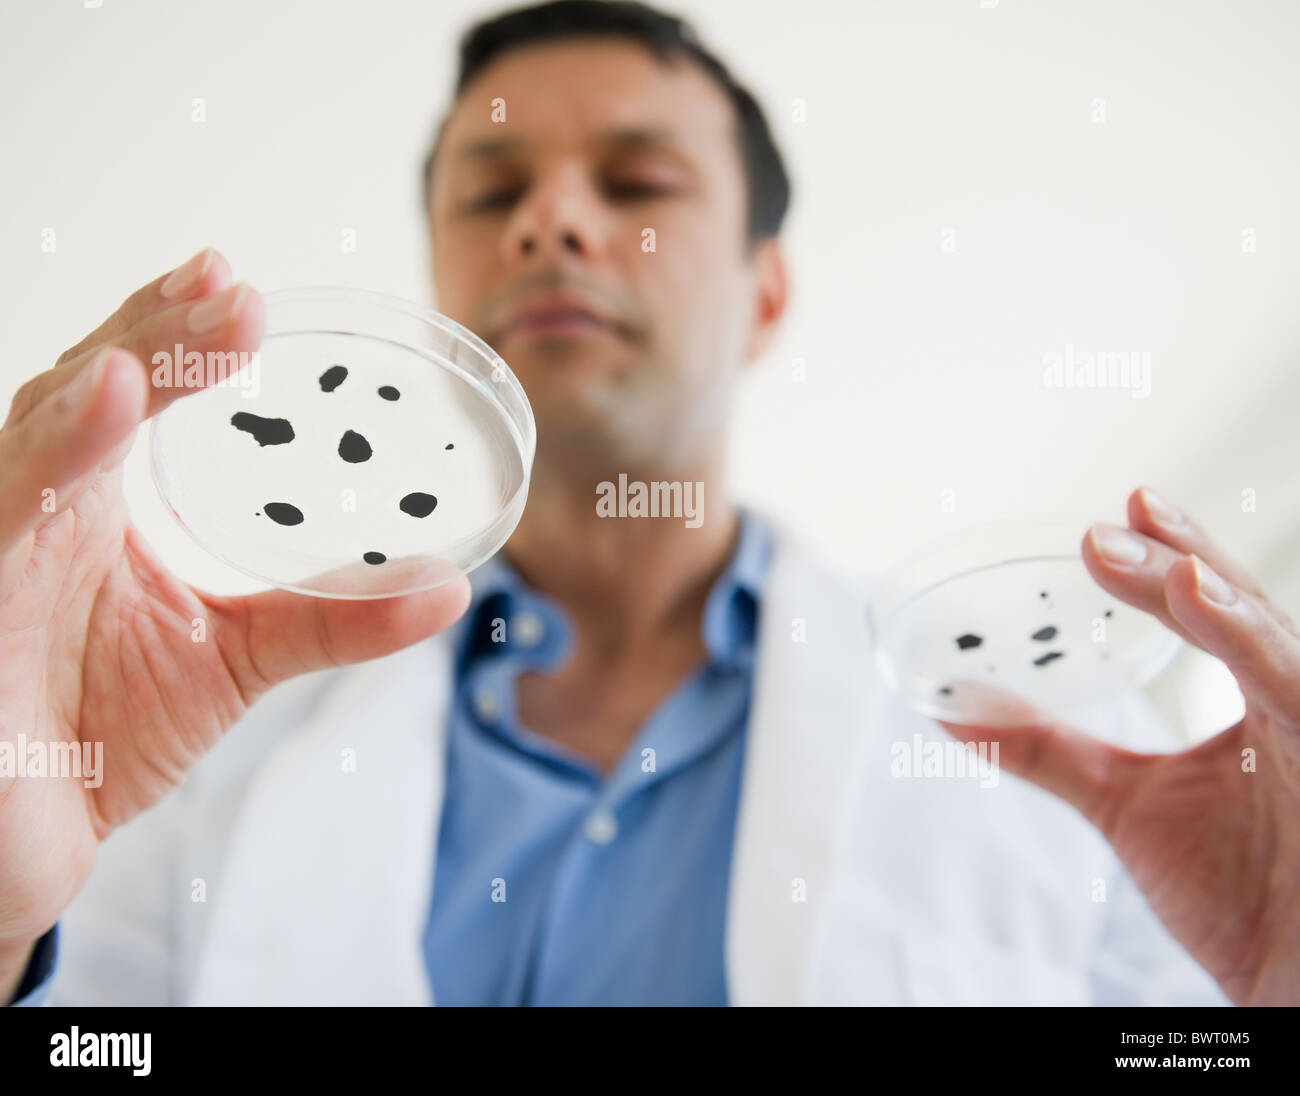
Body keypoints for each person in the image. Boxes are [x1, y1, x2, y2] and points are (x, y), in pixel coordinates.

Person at [3, 0, 1297, 1007]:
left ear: (768, 292)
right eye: (494, 191)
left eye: (636, 185)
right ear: (445, 283)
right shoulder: (188, 752)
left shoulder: (1074, 740)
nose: (552, 220)